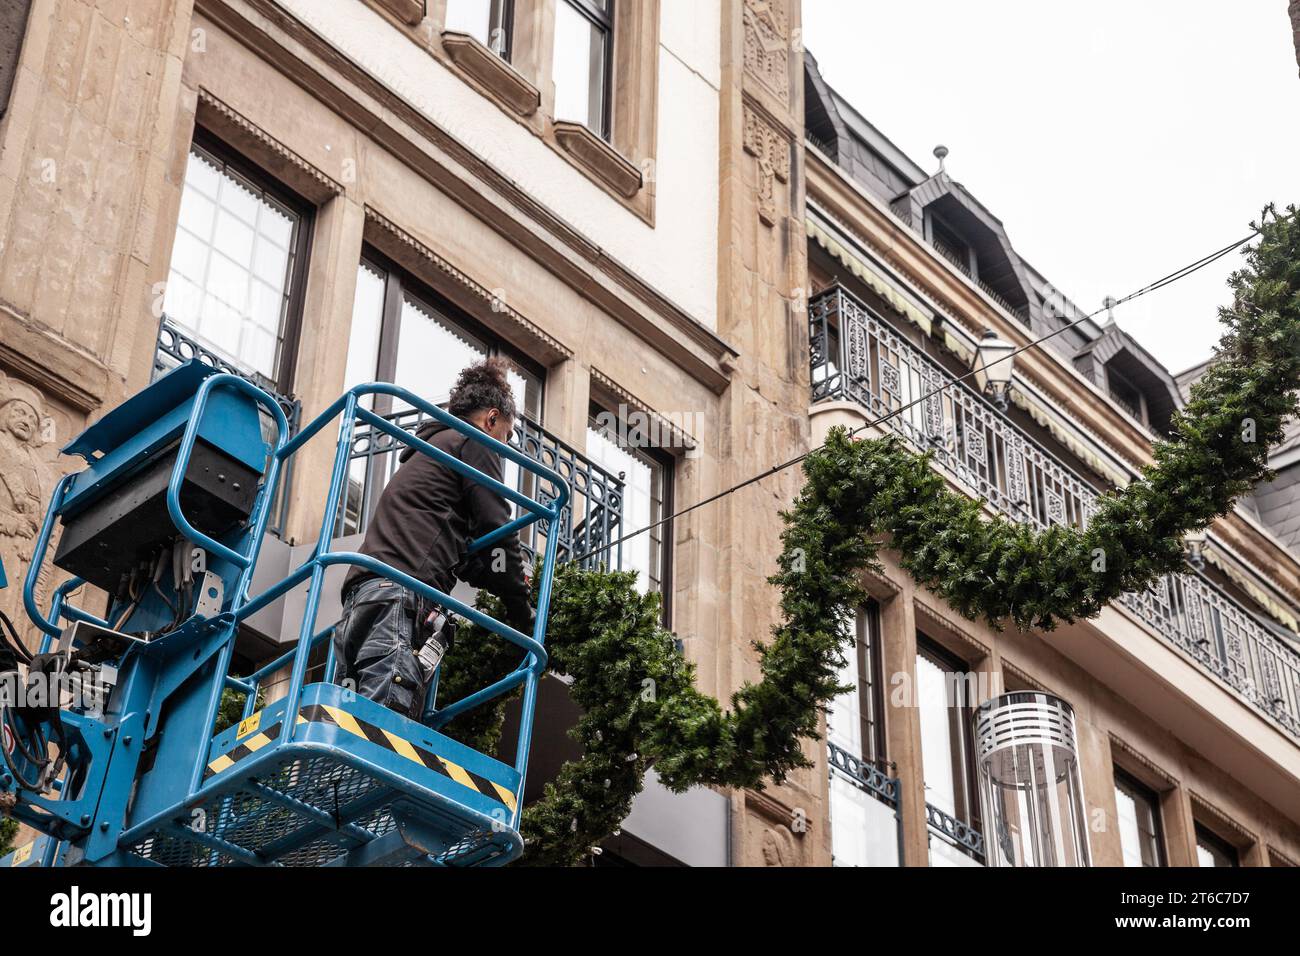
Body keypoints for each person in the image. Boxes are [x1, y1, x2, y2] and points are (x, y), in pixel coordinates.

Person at [334, 358, 532, 718]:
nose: (506, 445)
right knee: (384, 729)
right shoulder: (475, 441)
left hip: (361, 600)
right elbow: (495, 524)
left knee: (349, 726)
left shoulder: (431, 453)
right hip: (400, 597)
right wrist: (522, 608)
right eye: (507, 433)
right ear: (491, 419)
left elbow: (461, 551)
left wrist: (498, 575)